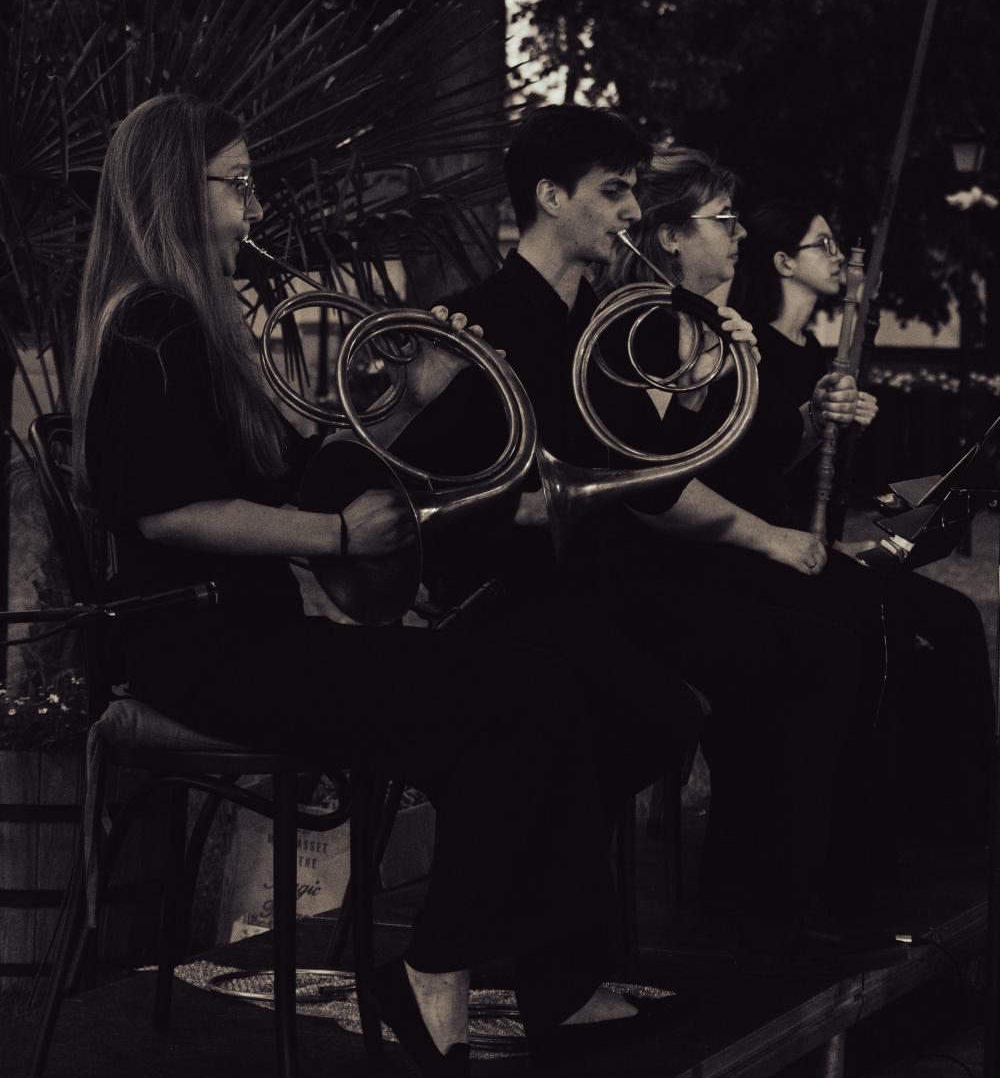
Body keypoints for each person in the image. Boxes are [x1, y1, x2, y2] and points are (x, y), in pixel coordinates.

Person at [69, 93, 688, 1078]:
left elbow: (285, 476)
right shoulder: (154, 323)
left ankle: (541, 979)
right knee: (526, 692)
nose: (256, 209)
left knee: (528, 696)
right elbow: (166, 512)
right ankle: (442, 971)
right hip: (199, 648)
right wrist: (335, 533)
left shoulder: (194, 322)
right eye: (239, 185)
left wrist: (409, 394)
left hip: (247, 633)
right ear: (176, 190)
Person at [400, 107, 890, 960]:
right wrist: (421, 403)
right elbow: (419, 485)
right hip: (511, 592)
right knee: (654, 711)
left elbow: (649, 473)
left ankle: (763, 901)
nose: (633, 210)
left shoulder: (599, 322)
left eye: (633, 191)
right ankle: (549, 916)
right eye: (614, 191)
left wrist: (701, 387)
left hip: (602, 580)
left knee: (818, 651)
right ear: (552, 197)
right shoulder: (475, 320)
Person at [728, 199, 993, 845]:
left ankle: (955, 807)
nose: (838, 257)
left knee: (952, 612)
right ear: (783, 261)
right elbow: (760, 477)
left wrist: (887, 485)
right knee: (908, 627)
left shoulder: (819, 352)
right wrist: (821, 436)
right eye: (821, 244)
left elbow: (837, 484)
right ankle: (917, 818)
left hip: (826, 539)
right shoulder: (754, 349)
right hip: (776, 547)